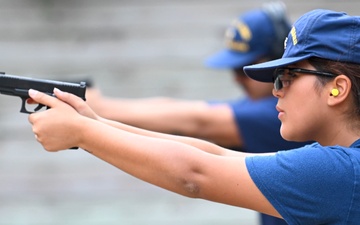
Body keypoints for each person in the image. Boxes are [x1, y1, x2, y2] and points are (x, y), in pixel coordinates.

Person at [27, 9, 360, 224]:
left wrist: (84, 133)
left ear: (337, 89)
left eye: (286, 76)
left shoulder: (338, 172)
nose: (277, 89)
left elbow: (194, 173)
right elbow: (214, 155)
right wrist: (95, 124)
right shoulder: (337, 163)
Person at [85, 4, 308, 224]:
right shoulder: (270, 108)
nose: (237, 78)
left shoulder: (278, 116)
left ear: (275, 62)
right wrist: (98, 115)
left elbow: (197, 121)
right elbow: (179, 111)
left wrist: (99, 113)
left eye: (244, 68)